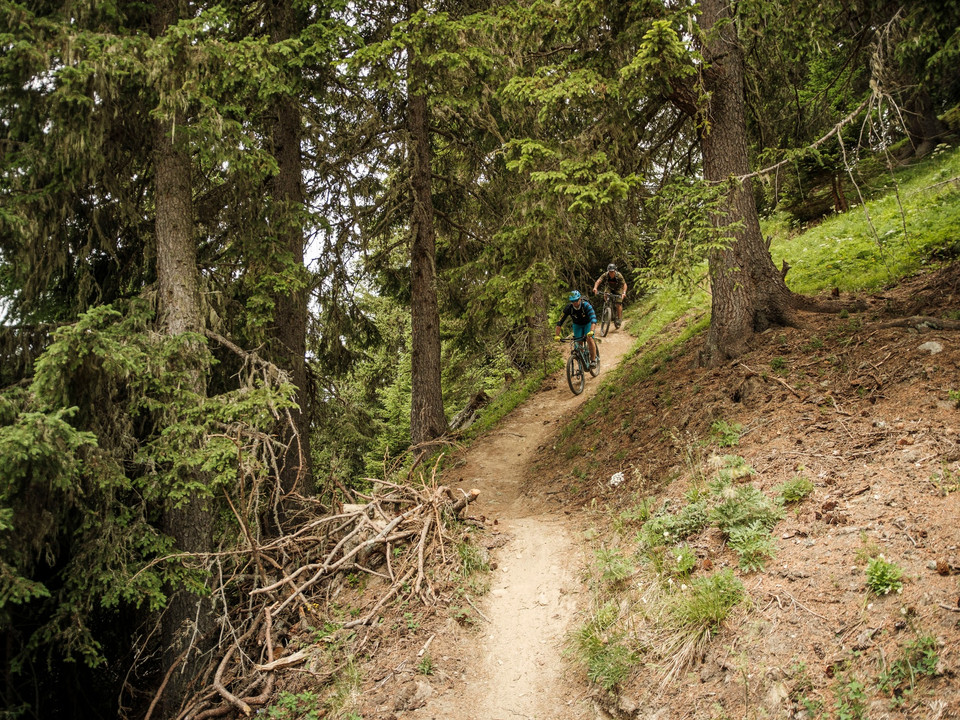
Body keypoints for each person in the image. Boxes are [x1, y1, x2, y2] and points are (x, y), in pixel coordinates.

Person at [554, 290, 597, 367]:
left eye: (576, 300)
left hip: (588, 323)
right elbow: (559, 322)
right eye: (573, 301)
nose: (575, 303)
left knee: (589, 339)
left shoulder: (586, 305)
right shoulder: (568, 308)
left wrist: (592, 331)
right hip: (577, 325)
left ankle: (593, 360)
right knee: (578, 342)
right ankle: (582, 361)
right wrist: (557, 335)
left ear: (580, 299)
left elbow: (593, 318)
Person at [592, 263, 628, 328]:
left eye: (612, 271)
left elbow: (624, 284)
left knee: (618, 304)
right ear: (608, 271)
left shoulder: (619, 275)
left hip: (618, 288)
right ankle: (607, 306)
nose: (611, 273)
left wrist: (624, 292)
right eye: (610, 271)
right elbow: (598, 281)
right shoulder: (605, 275)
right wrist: (595, 288)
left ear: (615, 271)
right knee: (605, 295)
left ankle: (619, 318)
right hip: (609, 288)